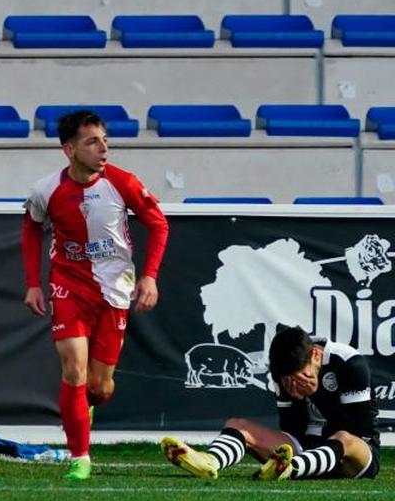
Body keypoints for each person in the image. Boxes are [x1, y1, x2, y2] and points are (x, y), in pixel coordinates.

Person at [21, 110, 169, 481]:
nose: (103, 148)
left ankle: (86, 408)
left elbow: (158, 223)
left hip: (114, 289)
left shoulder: (124, 183)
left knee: (99, 388)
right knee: (73, 367)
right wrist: (33, 283)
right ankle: (80, 458)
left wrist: (149, 277)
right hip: (68, 286)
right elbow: (31, 230)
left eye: (105, 140)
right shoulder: (45, 190)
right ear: (69, 150)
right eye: (93, 141)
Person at [161, 325, 380, 481]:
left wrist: (314, 394)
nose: (294, 384)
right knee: (237, 424)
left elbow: (359, 431)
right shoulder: (282, 374)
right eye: (288, 380)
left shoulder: (349, 363)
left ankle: (290, 468)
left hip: (354, 457)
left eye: (300, 376)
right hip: (308, 451)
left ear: (315, 355)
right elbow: (291, 431)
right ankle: (210, 461)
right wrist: (297, 399)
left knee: (344, 439)